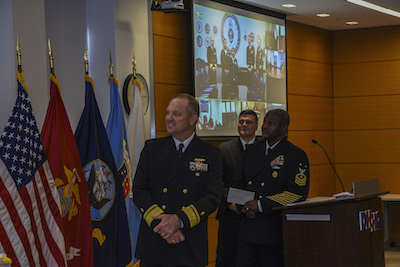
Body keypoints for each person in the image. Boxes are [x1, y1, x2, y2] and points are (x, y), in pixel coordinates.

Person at [133, 93, 223, 267]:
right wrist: (165, 226)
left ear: (193, 119)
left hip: (189, 241)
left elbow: (212, 197)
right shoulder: (152, 148)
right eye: (168, 113)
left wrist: (179, 220)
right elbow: (139, 190)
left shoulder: (211, 153)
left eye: (176, 114)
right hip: (155, 239)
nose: (169, 118)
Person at [233, 109, 310, 267]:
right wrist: (245, 207)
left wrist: (260, 205)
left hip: (274, 232)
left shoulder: (295, 155)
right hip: (248, 230)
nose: (265, 126)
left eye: (271, 123)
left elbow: (297, 193)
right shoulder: (252, 151)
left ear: (283, 128)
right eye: (265, 122)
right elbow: (237, 185)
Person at [216, 110, 262, 267]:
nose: (244, 125)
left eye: (248, 122)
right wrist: (234, 205)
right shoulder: (224, 149)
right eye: (241, 121)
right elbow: (217, 183)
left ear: (256, 125)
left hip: (257, 217)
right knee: (227, 259)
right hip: (230, 216)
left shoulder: (265, 149)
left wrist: (253, 206)